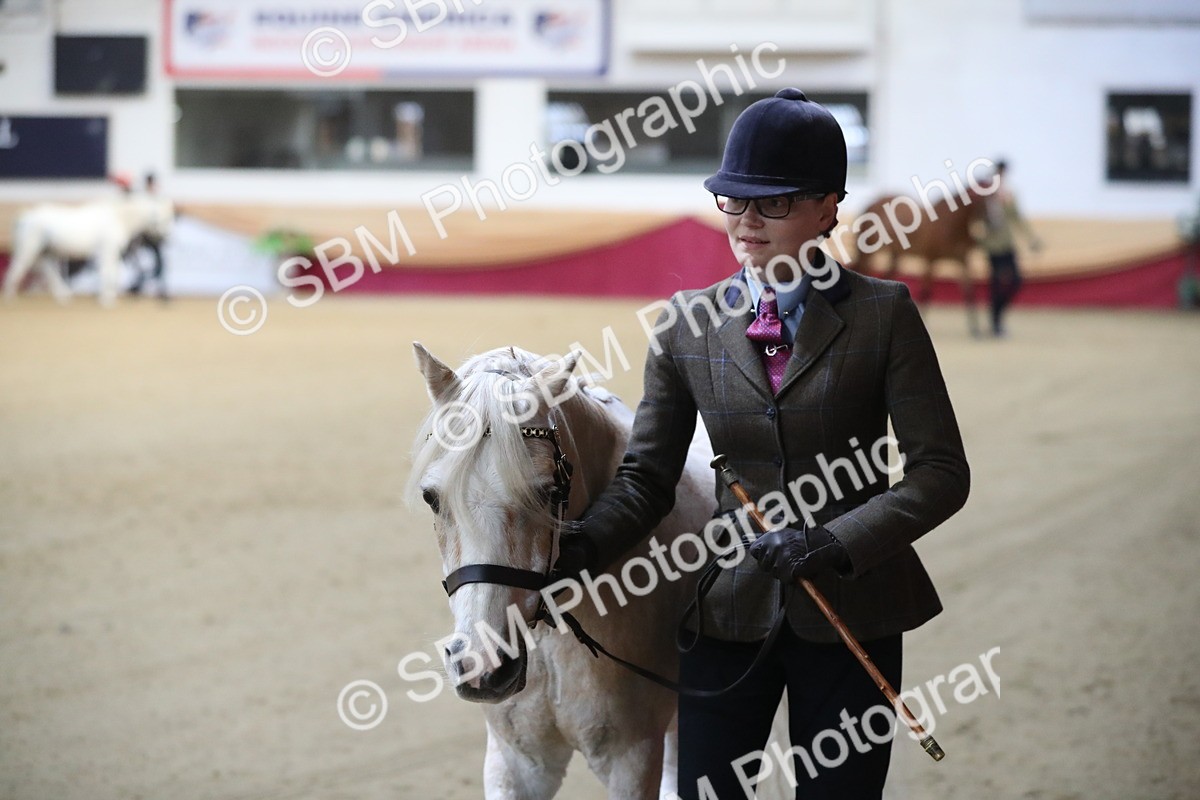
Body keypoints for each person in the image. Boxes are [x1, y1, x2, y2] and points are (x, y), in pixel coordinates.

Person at [554, 88, 970, 799]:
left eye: (772, 202)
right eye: (733, 200)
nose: (746, 220)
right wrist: (581, 547)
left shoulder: (884, 315)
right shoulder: (686, 324)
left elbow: (939, 473)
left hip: (852, 609)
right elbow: (648, 478)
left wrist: (834, 541)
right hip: (726, 609)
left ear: (827, 207)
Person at [977, 160, 1042, 337]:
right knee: (996, 285)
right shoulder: (985, 195)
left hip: (1007, 244)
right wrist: (980, 240)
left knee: (1016, 281)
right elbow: (977, 221)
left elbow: (1017, 218)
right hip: (992, 247)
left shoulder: (1008, 194)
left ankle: (998, 317)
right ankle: (995, 322)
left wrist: (1031, 238)